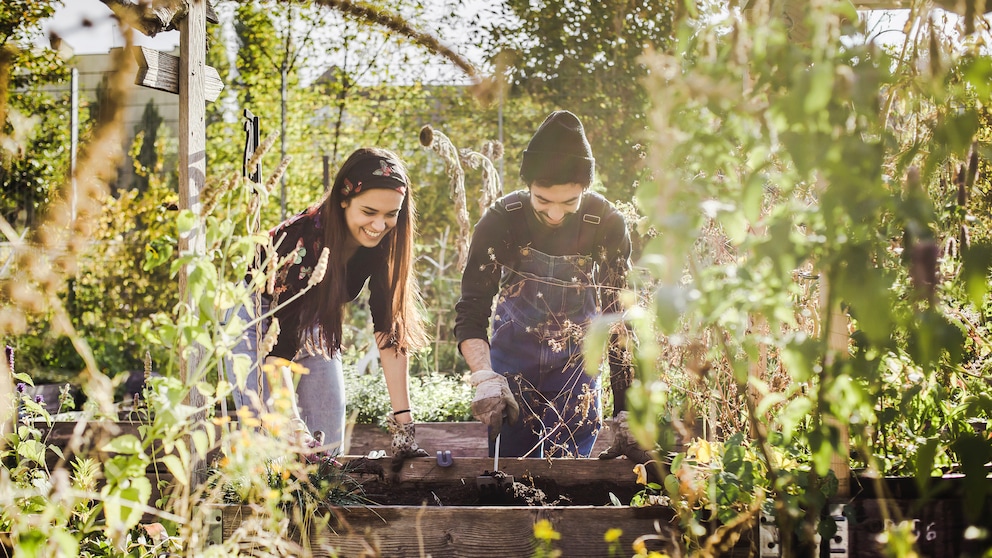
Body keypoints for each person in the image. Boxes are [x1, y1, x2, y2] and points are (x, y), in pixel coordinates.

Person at [455, 110, 649, 460]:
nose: (556, 214)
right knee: (510, 472)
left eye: (569, 202)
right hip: (512, 368)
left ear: (586, 188)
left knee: (571, 476)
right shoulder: (502, 220)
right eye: (543, 201)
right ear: (528, 184)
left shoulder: (604, 223)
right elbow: (472, 308)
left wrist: (626, 410)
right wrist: (485, 376)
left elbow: (617, 316)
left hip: (577, 369)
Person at [227, 147, 430, 464]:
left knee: (327, 451)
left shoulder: (386, 241)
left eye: (391, 215)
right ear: (343, 200)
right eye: (369, 212)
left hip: (316, 326)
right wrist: (292, 425)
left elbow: (389, 333)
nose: (380, 225)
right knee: (276, 449)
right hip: (259, 325)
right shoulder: (301, 241)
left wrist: (405, 427)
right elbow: (277, 349)